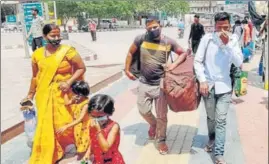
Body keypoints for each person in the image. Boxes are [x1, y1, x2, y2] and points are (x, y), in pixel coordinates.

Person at [23, 24, 86, 164]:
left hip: (63, 94)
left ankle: (69, 144)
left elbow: (81, 68)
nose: (57, 38)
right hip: (44, 94)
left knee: (64, 121)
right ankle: (52, 150)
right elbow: (35, 77)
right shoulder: (37, 54)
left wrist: (69, 82)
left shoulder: (67, 51)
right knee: (46, 124)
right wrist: (30, 95)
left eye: (58, 35)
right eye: (53, 35)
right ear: (45, 36)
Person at [124, 17, 187, 154]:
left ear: (161, 26)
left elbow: (183, 53)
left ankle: (162, 140)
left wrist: (173, 64)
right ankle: (153, 124)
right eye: (150, 28)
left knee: (162, 115)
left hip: (161, 85)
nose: (153, 30)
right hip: (144, 83)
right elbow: (130, 53)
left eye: (155, 27)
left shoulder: (168, 41)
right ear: (146, 28)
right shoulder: (140, 39)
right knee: (143, 110)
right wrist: (127, 69)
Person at [194, 12, 243, 164]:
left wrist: (227, 44)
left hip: (225, 87)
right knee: (211, 118)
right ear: (215, 26)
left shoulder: (233, 40)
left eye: (226, 27)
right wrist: (202, 80)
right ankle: (212, 138)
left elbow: (238, 61)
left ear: (230, 26)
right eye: (219, 27)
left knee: (221, 120)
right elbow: (197, 61)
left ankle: (219, 154)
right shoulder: (207, 39)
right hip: (208, 86)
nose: (223, 30)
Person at [83, 94, 125, 164]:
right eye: (93, 116)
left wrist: (98, 130)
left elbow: (106, 148)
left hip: (111, 160)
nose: (96, 120)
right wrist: (87, 154)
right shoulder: (93, 125)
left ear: (109, 114)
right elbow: (93, 142)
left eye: (100, 117)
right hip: (98, 159)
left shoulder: (114, 127)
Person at [56, 80, 91, 155]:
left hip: (85, 127)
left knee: (86, 143)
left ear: (80, 94)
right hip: (78, 127)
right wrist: (65, 93)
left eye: (74, 93)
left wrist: (66, 126)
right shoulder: (77, 99)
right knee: (79, 142)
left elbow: (80, 119)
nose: (72, 95)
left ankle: (86, 157)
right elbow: (67, 103)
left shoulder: (86, 105)